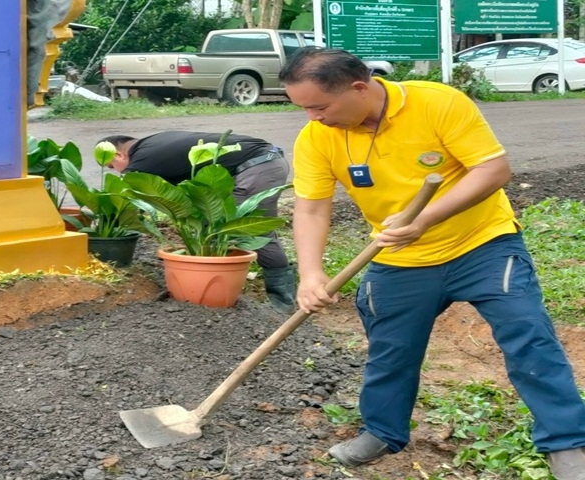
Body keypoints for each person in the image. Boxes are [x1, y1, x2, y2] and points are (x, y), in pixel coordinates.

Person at [278, 47, 585, 479]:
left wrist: (424, 220)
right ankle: (382, 432)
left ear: (359, 88)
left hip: (483, 244)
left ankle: (566, 441)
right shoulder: (317, 137)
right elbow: (311, 208)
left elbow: (493, 170)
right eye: (304, 108)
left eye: (319, 106)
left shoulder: (436, 103)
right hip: (400, 257)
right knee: (391, 350)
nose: (313, 117)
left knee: (529, 338)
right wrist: (310, 273)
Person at [98, 130, 296, 314]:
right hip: (262, 162)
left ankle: (281, 302)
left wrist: (102, 235)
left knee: (246, 229)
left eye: (112, 167)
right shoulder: (152, 145)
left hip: (258, 167)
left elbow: (124, 205)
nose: (116, 172)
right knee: (217, 225)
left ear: (119, 155)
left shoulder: (140, 162)